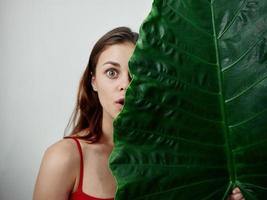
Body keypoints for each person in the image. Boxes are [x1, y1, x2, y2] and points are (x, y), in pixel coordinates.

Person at [33, 26, 244, 200]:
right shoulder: (63, 157)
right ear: (94, 81)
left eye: (136, 74)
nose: (125, 84)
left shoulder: (169, 157)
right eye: (112, 72)